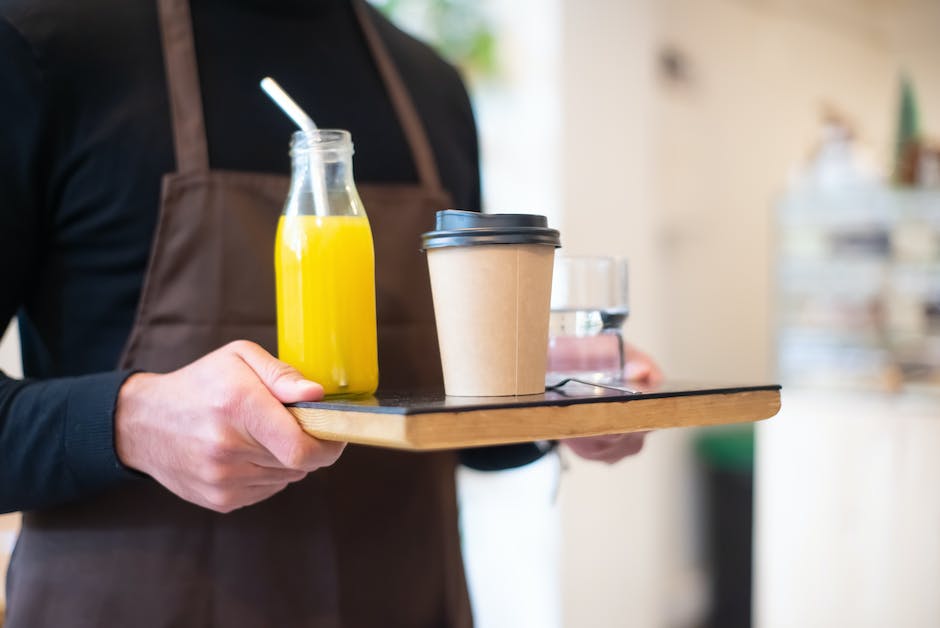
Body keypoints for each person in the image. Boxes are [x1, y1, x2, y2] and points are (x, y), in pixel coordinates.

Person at [0, 0, 661, 625]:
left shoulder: (429, 87)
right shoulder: (44, 42)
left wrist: (551, 399)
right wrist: (126, 421)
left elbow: (446, 426)